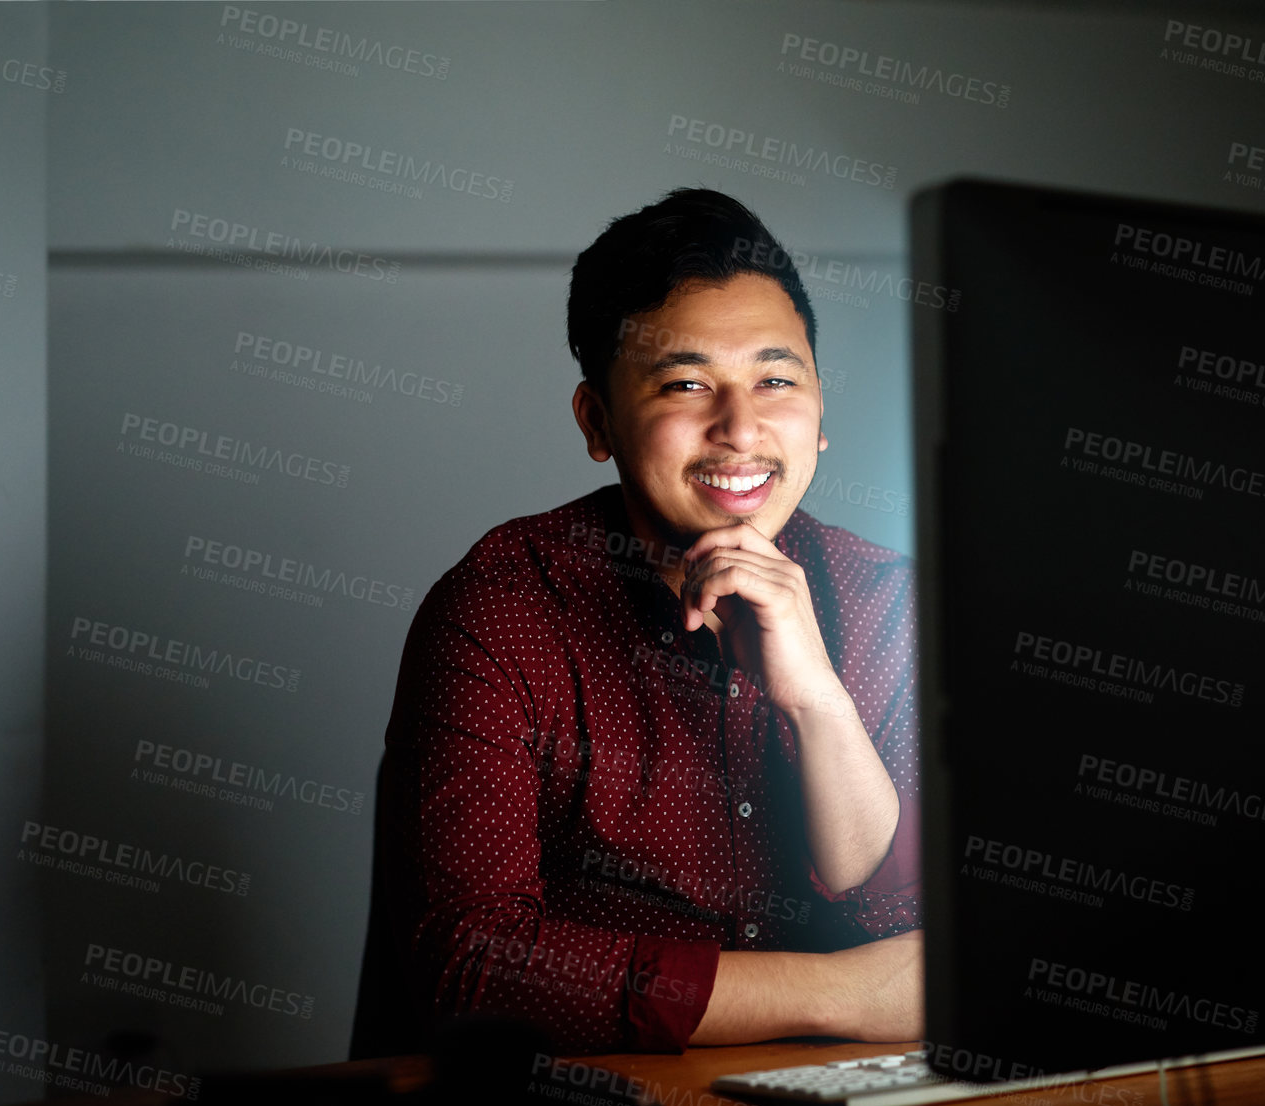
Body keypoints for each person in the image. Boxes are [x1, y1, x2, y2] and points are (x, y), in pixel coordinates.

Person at [351, 187, 922, 1058]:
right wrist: (840, 993)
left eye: (776, 379)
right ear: (597, 420)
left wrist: (816, 701)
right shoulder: (502, 608)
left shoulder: (884, 597)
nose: (741, 428)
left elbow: (917, 932)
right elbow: (472, 964)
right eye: (687, 384)